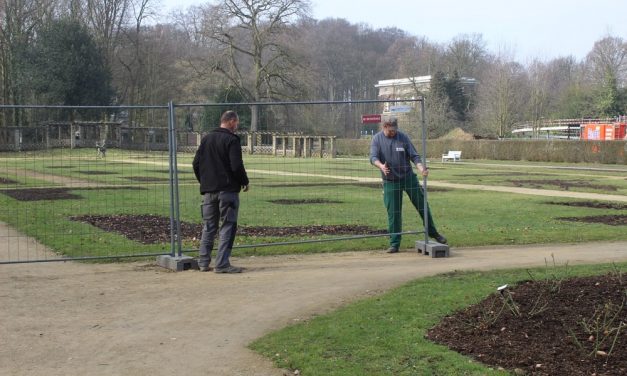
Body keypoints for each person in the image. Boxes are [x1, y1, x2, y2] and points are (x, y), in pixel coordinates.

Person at [369, 118, 447, 253]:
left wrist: (421, 168)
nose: (394, 133)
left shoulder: (403, 137)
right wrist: (381, 166)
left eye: (395, 130)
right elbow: (373, 157)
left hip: (408, 178)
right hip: (390, 181)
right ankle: (394, 244)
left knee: (422, 205)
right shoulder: (377, 139)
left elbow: (414, 156)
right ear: (385, 127)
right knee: (394, 213)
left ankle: (434, 233)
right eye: (391, 130)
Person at [193, 110, 249, 273]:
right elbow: (236, 166)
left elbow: (196, 164)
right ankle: (222, 263)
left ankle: (203, 262)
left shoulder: (206, 139)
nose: (237, 126)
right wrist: (244, 182)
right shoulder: (231, 140)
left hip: (209, 191)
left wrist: (205, 181)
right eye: (236, 123)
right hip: (228, 191)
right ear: (231, 121)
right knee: (228, 225)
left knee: (209, 226)